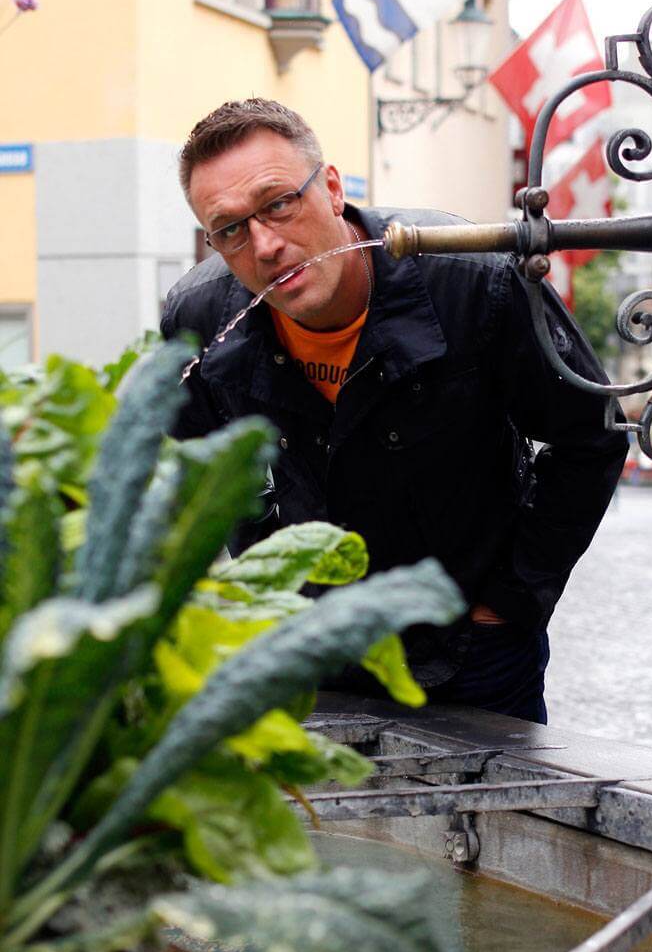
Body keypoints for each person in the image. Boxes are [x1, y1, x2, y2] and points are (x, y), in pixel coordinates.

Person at [161, 98, 628, 722]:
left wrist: (506, 604)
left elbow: (591, 435)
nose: (266, 244)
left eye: (278, 203)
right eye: (230, 230)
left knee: (501, 817)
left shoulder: (471, 280)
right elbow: (193, 474)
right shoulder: (199, 317)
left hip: (468, 652)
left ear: (330, 188)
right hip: (301, 651)